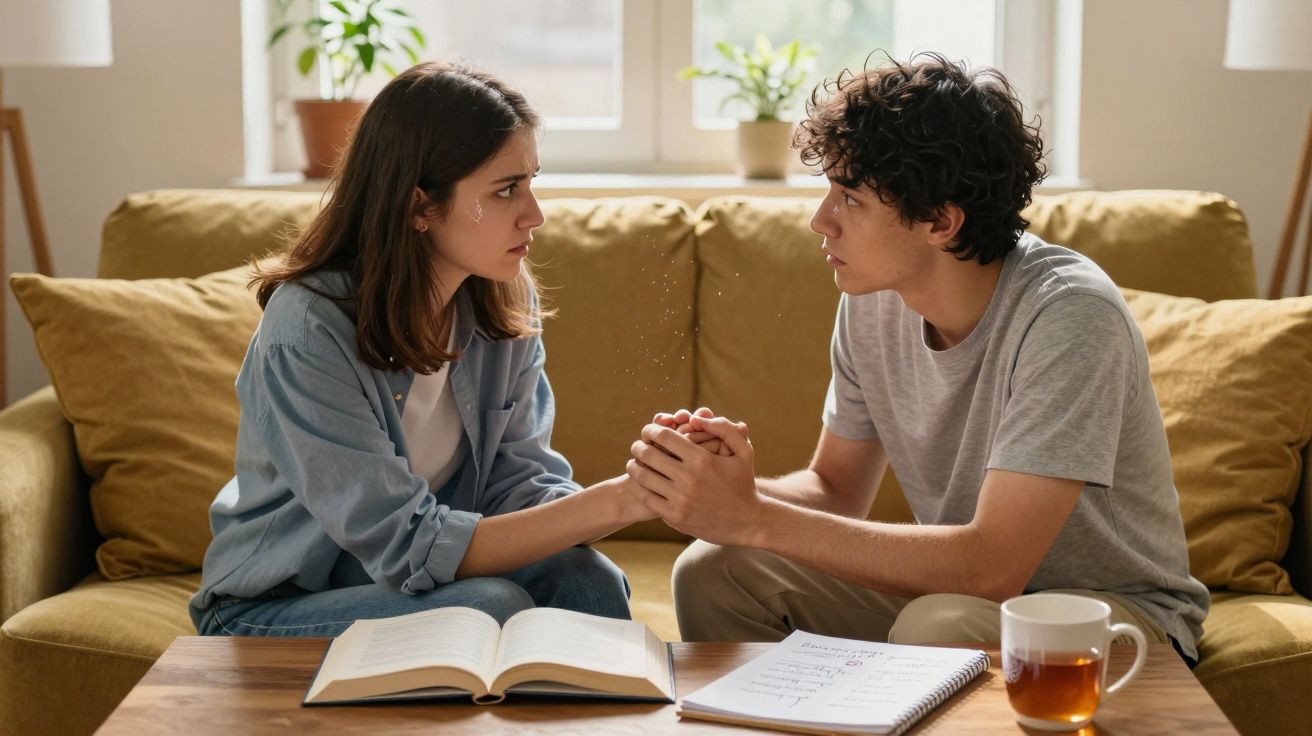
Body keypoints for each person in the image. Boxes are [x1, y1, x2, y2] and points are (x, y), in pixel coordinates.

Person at [626, 52, 1209, 665]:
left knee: (942, 623)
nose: (818, 220)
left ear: (939, 220)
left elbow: (991, 568)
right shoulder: (874, 301)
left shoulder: (1070, 316)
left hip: (1116, 619)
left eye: (849, 198)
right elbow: (834, 488)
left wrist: (754, 518)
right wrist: (724, 492)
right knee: (714, 570)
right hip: (967, 602)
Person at [189, 62, 653, 638]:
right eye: (507, 190)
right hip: (274, 604)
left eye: (531, 182)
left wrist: (655, 482)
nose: (535, 215)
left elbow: (520, 485)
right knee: (486, 608)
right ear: (419, 207)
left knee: (587, 580)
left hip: (402, 586)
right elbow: (408, 546)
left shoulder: (499, 296)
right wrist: (618, 502)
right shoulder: (308, 329)